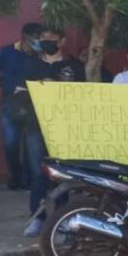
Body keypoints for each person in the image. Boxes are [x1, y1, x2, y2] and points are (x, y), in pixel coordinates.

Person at [20, 26, 86, 236]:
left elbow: (83, 95)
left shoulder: (74, 66)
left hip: (65, 127)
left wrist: (55, 86)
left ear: (62, 41)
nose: (46, 41)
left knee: (62, 172)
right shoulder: (30, 65)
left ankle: (61, 219)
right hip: (35, 126)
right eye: (43, 38)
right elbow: (19, 93)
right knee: (38, 172)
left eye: (51, 38)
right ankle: (37, 217)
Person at [0, 22, 41, 190]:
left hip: (34, 106)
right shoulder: (7, 52)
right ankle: (14, 176)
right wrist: (8, 86)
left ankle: (29, 180)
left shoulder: (42, 54)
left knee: (33, 145)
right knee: (11, 143)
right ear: (25, 38)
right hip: (10, 104)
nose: (39, 42)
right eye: (36, 38)